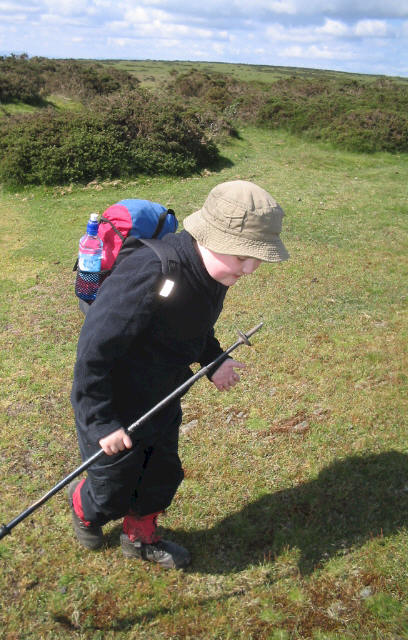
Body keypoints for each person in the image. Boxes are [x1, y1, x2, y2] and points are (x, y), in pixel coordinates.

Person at [69, 180, 289, 569]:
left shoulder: (215, 272)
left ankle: (139, 537)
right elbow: (93, 353)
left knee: (160, 470)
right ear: (210, 237)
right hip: (113, 400)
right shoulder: (150, 271)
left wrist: (214, 360)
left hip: (163, 394)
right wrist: (102, 421)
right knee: (112, 485)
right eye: (243, 257)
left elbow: (194, 325)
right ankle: (85, 508)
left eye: (256, 259)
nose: (251, 269)